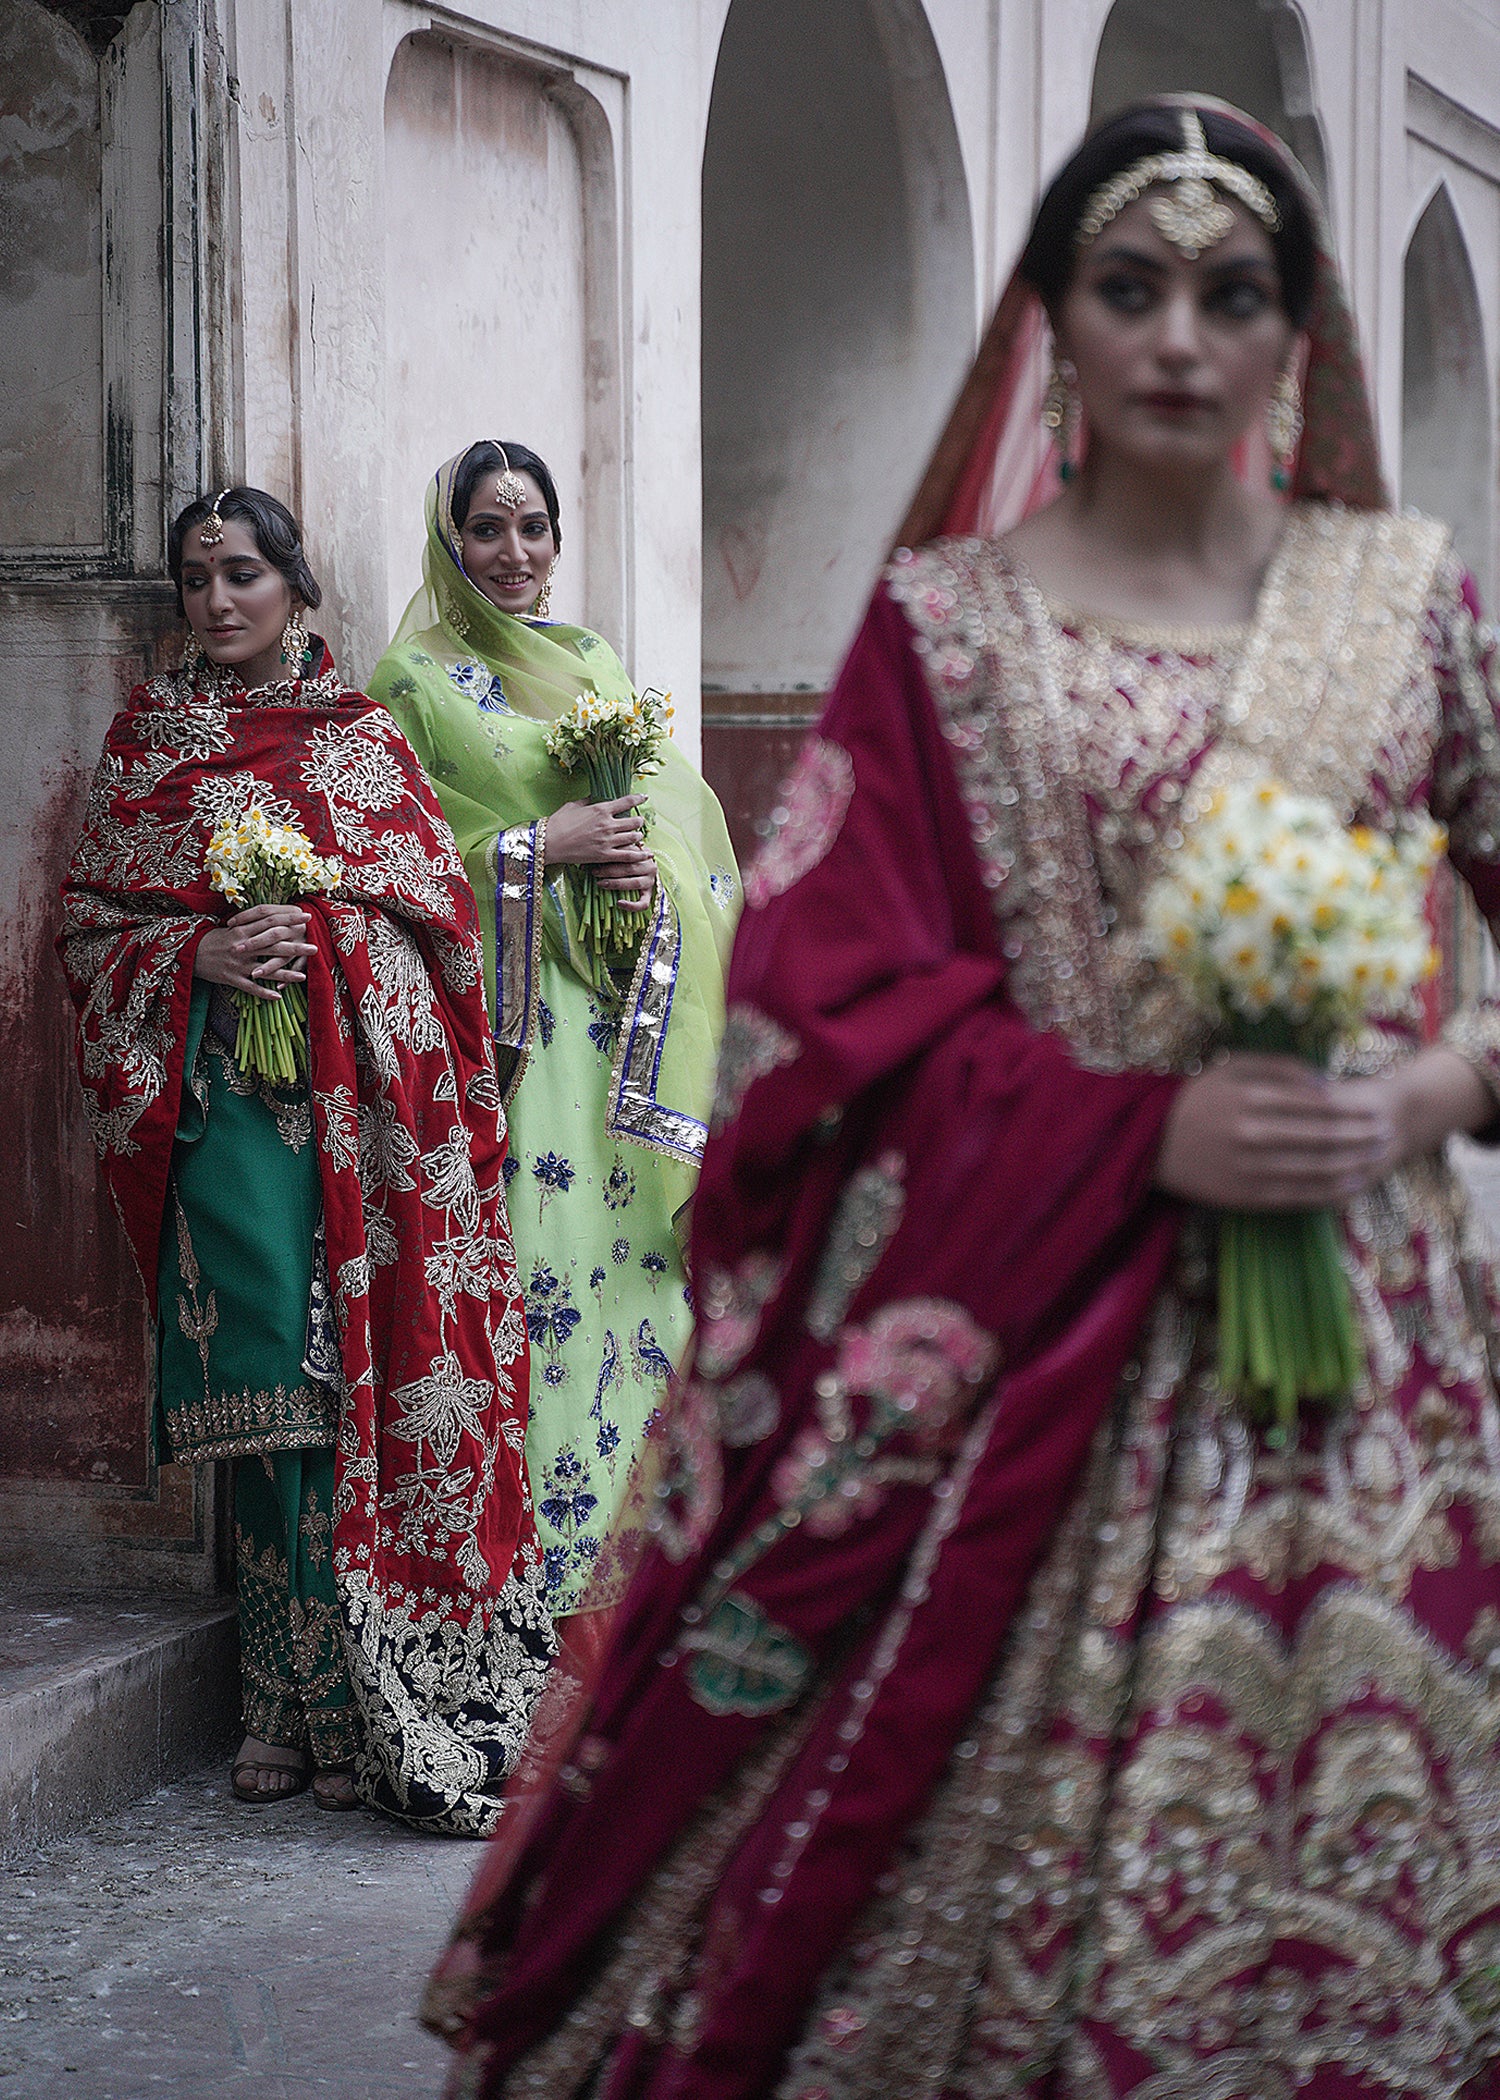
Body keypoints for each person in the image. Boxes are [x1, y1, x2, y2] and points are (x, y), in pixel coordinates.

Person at [422, 100, 1500, 2094]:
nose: (1180, 333)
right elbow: (821, 1010)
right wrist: (1130, 1124)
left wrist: (1436, 1082)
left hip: (1363, 1355)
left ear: (1297, 337)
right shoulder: (948, 630)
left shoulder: (1409, 606)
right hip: (1021, 1349)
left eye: (1232, 292)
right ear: (1055, 329)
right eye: (1131, 286)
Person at [59, 486, 553, 1832]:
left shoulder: (362, 740)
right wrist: (200, 952)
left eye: (241, 575)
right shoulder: (147, 744)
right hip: (223, 1108)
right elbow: (90, 933)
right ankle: (283, 1697)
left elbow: (439, 931)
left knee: (347, 1401)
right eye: (194, 580)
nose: (218, 603)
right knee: (269, 1394)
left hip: (364, 1122)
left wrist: (334, 943)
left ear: (296, 584)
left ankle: (347, 1706)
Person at [368, 444, 737, 1647]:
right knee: (536, 1277)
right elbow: (394, 872)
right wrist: (541, 848)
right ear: (450, 543)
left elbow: (676, 826)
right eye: (486, 529)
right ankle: (531, 1594)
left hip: (621, 1030)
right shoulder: (412, 681)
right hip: (513, 1050)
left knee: (636, 1278)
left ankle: (654, 1565)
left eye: (534, 527)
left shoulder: (591, 666)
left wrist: (640, 866)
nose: (514, 554)